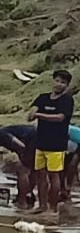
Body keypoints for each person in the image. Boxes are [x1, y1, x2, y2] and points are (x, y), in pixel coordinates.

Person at [32, 69, 73, 215]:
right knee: (40, 175)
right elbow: (32, 111)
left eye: (63, 82)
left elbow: (60, 117)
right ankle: (42, 206)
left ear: (67, 86)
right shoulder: (42, 98)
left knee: (54, 175)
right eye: (57, 81)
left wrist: (38, 115)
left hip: (57, 144)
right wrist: (32, 113)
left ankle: (53, 208)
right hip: (40, 142)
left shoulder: (67, 100)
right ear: (52, 81)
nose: (59, 84)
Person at [0, 125, 40, 208]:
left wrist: (23, 155)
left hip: (32, 141)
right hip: (40, 137)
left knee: (21, 171)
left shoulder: (1, 135)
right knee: (33, 170)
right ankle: (28, 195)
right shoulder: (5, 133)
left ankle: (22, 201)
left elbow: (20, 145)